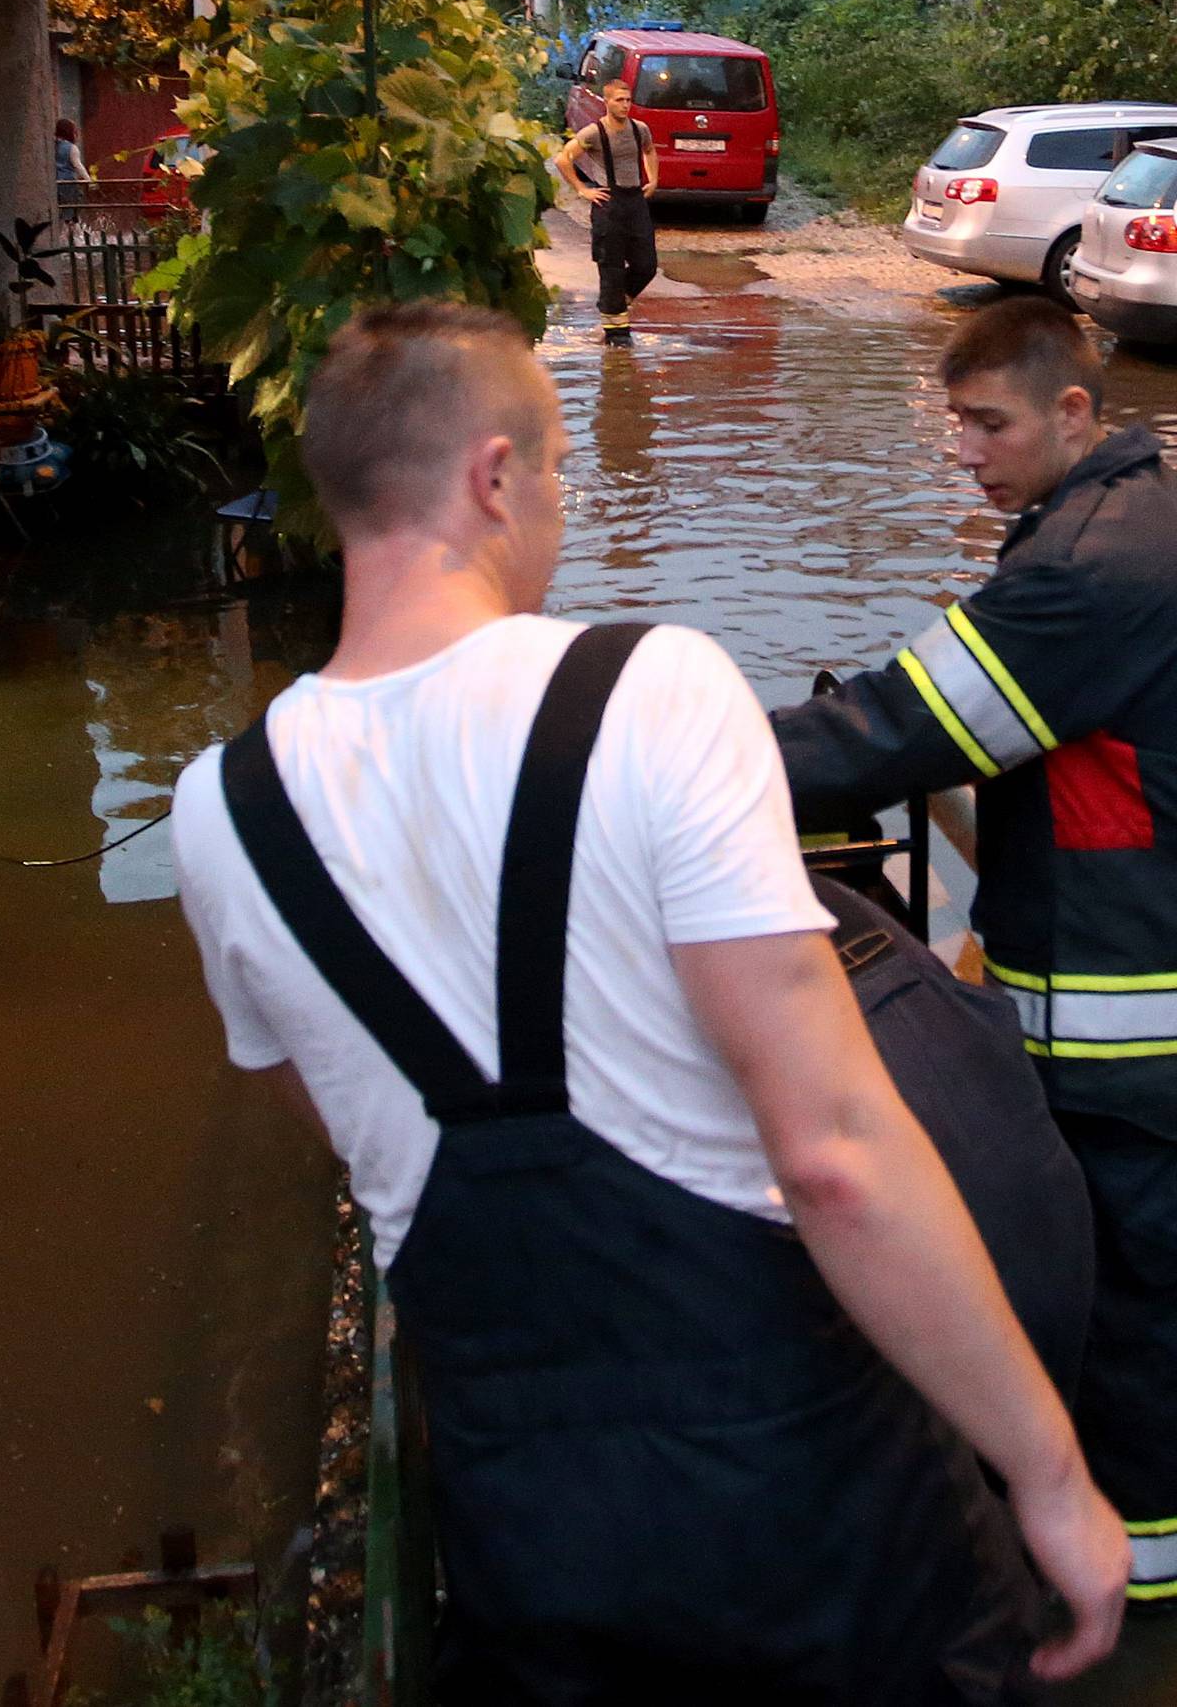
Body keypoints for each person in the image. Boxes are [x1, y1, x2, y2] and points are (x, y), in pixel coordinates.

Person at [172, 301, 1124, 1702]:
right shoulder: (649, 687)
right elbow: (835, 1152)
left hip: (525, 1528)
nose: (555, 509)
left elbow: (360, 1141)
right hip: (808, 1505)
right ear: (497, 476)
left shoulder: (219, 810)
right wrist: (1050, 1468)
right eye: (557, 472)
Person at [773, 294, 1177, 1618]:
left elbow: (902, 724)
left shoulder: (1088, 567)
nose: (964, 447)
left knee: (1130, 1317)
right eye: (954, 419)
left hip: (1136, 1049)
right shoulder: (1118, 522)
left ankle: (1134, 1589)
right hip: (1122, 996)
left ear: (1074, 411)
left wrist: (671, 760)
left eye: (989, 420)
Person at [557, 75, 659, 344]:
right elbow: (563, 158)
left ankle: (612, 302)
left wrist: (653, 179)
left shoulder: (640, 129)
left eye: (628, 100)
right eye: (619, 100)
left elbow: (649, 151)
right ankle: (617, 336)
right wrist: (583, 189)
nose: (625, 105)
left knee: (647, 265)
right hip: (608, 204)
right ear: (607, 102)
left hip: (635, 201)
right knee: (611, 267)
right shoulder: (594, 132)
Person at [53, 116, 92, 210]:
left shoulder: (55, 145)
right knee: (72, 207)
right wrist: (88, 180)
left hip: (57, 180)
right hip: (68, 182)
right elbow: (78, 165)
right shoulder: (72, 148)